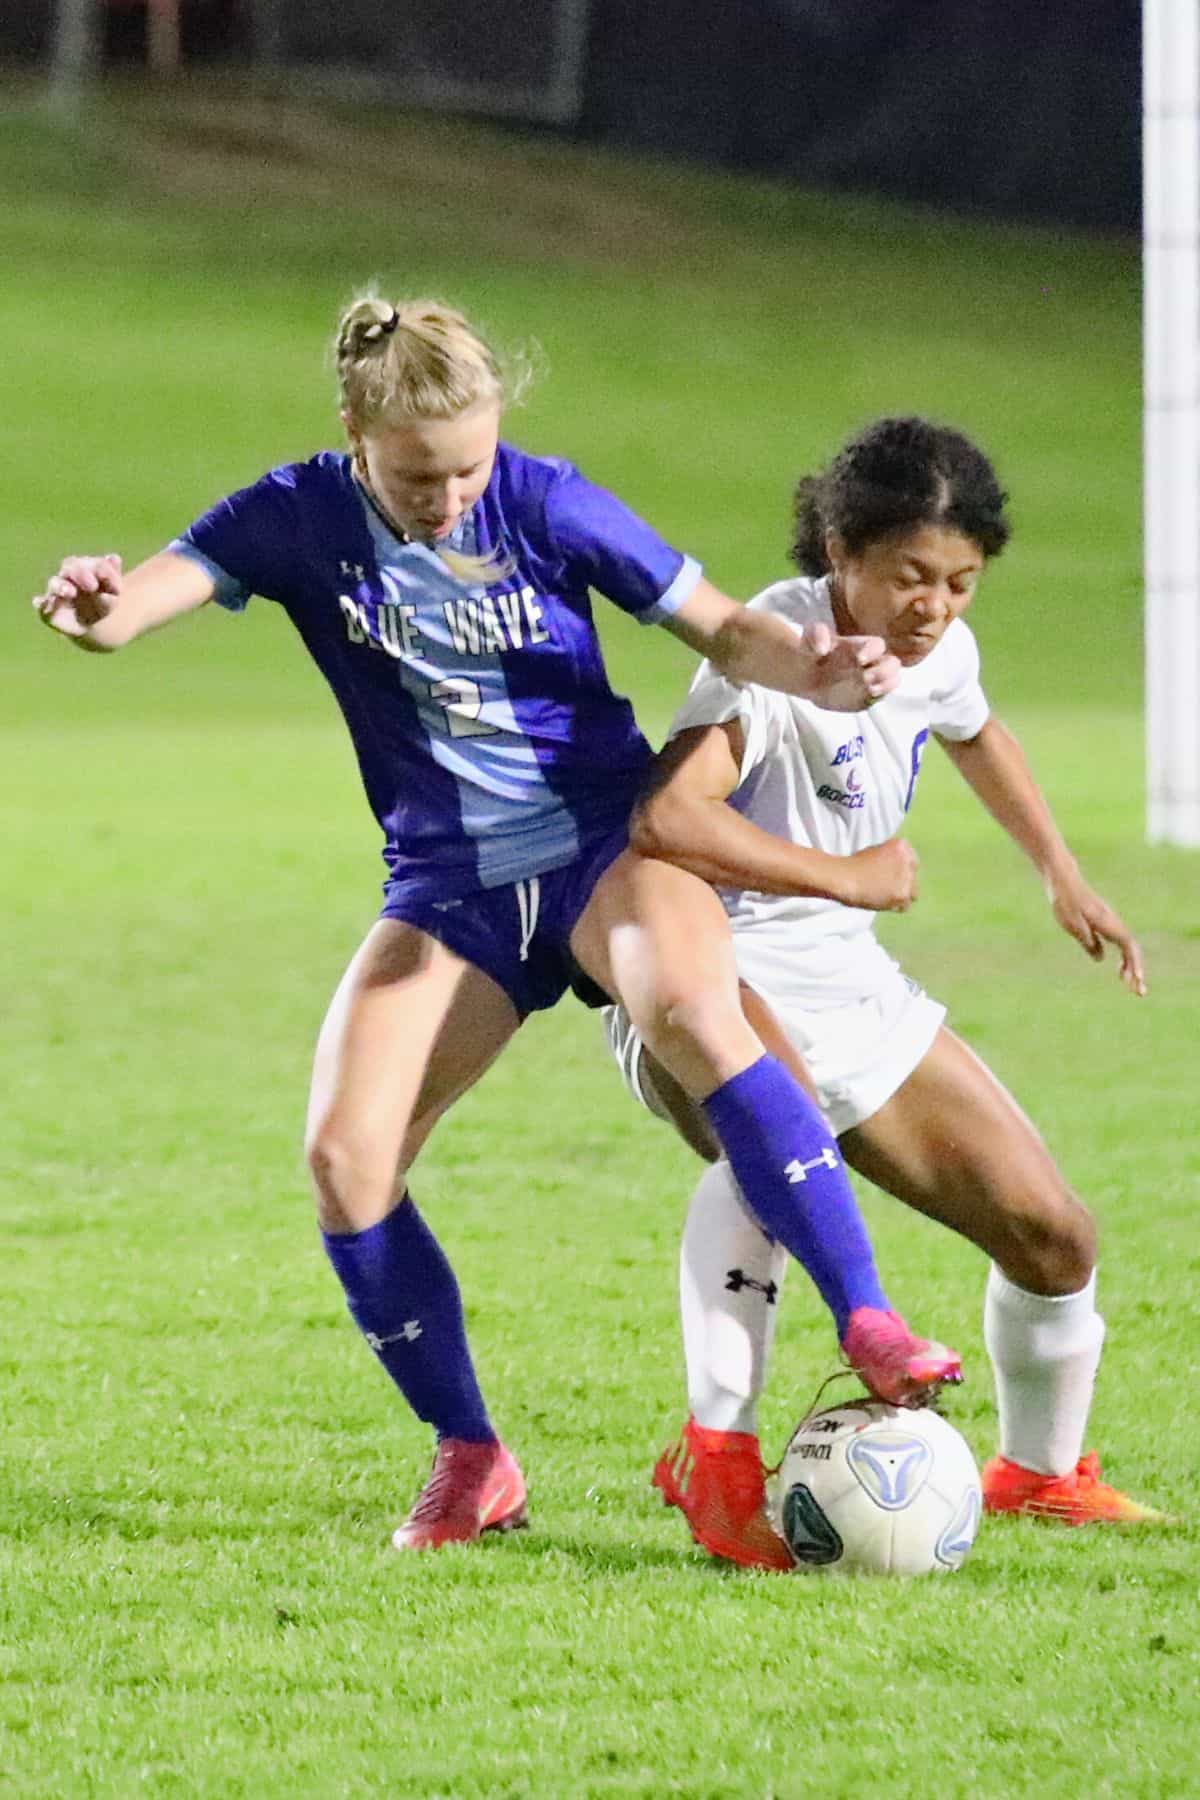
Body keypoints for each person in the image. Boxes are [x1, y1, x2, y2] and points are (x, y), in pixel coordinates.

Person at [33, 298, 961, 1554]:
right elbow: (140, 601)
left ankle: (869, 1320)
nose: (453, 494)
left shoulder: (547, 501)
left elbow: (726, 626)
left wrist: (818, 667)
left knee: (692, 1007)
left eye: (471, 463)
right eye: (421, 474)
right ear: (353, 429)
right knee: (346, 1161)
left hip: (600, 844)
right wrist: (95, 605)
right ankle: (471, 1454)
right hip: (447, 887)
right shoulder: (292, 514)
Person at [603, 415, 1165, 1571]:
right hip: (710, 958)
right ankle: (717, 1457)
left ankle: (1040, 1475)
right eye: (910, 575)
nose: (935, 606)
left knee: (1055, 1238)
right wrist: (844, 873)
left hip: (846, 974)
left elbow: (975, 728)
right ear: (838, 551)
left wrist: (1061, 872)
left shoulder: (937, 650)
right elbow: (665, 821)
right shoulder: (775, 644)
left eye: (961, 582)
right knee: (771, 1143)